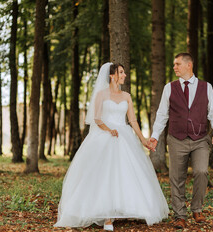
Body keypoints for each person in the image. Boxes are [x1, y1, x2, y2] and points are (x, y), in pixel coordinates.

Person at [54, 62, 169, 231]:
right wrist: (109, 130)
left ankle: (124, 208)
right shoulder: (101, 95)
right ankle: (107, 217)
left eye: (124, 72)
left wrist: (144, 139)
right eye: (121, 72)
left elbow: (132, 120)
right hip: (104, 136)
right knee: (104, 174)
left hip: (124, 136)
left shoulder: (127, 96)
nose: (124, 75)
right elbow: (97, 119)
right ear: (111, 75)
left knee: (124, 173)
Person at [148, 53, 213, 229]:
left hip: (200, 139)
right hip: (176, 138)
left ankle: (197, 209)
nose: (174, 67)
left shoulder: (206, 87)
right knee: (176, 177)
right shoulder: (169, 87)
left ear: (189, 65)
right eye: (174, 64)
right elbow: (162, 114)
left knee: (201, 171)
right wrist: (155, 135)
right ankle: (180, 215)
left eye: (177, 64)